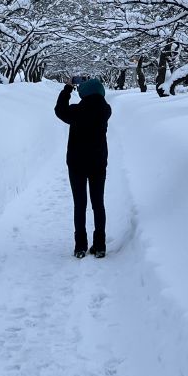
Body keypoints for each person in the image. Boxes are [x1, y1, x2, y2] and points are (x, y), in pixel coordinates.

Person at [55, 77, 112, 259]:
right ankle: (100, 245)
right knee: (98, 204)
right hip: (98, 164)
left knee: (80, 205)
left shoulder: (77, 111)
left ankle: (80, 246)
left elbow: (60, 110)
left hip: (77, 164)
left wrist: (67, 89)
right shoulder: (106, 110)